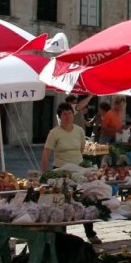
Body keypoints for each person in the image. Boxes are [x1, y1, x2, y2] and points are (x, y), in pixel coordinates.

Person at [40, 103, 100, 244]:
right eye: (64, 114)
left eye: (69, 113)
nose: (67, 116)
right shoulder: (54, 132)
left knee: (86, 199)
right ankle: (62, 236)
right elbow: (46, 153)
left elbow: (81, 149)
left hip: (78, 171)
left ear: (73, 115)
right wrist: (44, 174)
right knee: (63, 203)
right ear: (59, 117)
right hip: (61, 172)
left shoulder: (79, 130)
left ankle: (90, 233)